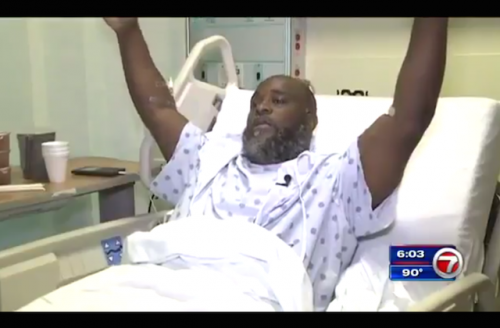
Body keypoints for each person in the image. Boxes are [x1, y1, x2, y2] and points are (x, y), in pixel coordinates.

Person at [104, 17, 448, 311]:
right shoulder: (208, 158)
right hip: (150, 288)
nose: (262, 108)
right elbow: (159, 109)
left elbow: (408, 119)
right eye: (256, 103)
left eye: (278, 101)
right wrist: (128, 29)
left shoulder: (336, 180)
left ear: (310, 120)